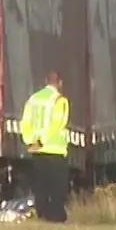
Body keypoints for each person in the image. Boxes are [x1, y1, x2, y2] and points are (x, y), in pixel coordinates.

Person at [20, 70, 72, 222]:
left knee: (40, 187)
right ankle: (56, 216)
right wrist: (43, 140)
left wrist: (30, 141)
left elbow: (25, 123)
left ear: (45, 81)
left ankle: (42, 215)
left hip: (37, 151)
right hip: (55, 150)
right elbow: (57, 124)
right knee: (57, 187)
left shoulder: (33, 99)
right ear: (60, 82)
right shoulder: (59, 100)